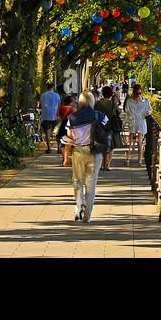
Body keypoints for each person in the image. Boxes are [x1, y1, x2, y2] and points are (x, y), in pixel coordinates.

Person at [64, 91, 104, 222]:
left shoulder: (73, 117)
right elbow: (106, 132)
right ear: (93, 101)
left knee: (78, 181)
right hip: (95, 152)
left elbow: (70, 136)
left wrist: (66, 155)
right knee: (91, 184)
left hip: (79, 152)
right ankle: (88, 215)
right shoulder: (99, 115)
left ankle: (78, 208)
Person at [94, 85, 121, 171]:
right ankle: (107, 165)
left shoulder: (98, 103)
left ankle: (101, 164)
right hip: (110, 127)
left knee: (101, 145)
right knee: (111, 146)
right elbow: (118, 112)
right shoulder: (113, 104)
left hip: (100, 126)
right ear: (111, 94)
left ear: (103, 93)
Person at [124, 83, 152, 162]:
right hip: (135, 122)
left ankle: (137, 160)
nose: (138, 95)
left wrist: (146, 113)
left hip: (139, 122)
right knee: (133, 142)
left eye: (139, 93)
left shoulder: (144, 101)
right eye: (137, 93)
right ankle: (131, 159)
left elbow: (149, 111)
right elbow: (127, 111)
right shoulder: (143, 101)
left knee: (138, 142)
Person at [39, 84, 61, 152]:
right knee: (58, 133)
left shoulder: (43, 95)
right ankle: (59, 148)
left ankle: (49, 148)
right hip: (55, 116)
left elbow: (40, 105)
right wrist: (58, 115)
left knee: (47, 133)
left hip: (46, 116)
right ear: (53, 87)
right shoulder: (57, 95)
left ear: (47, 87)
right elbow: (59, 106)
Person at [57, 94, 76, 166]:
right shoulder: (73, 109)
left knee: (62, 142)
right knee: (69, 142)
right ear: (70, 102)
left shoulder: (61, 108)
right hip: (69, 126)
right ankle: (67, 158)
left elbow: (59, 116)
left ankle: (64, 158)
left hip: (62, 125)